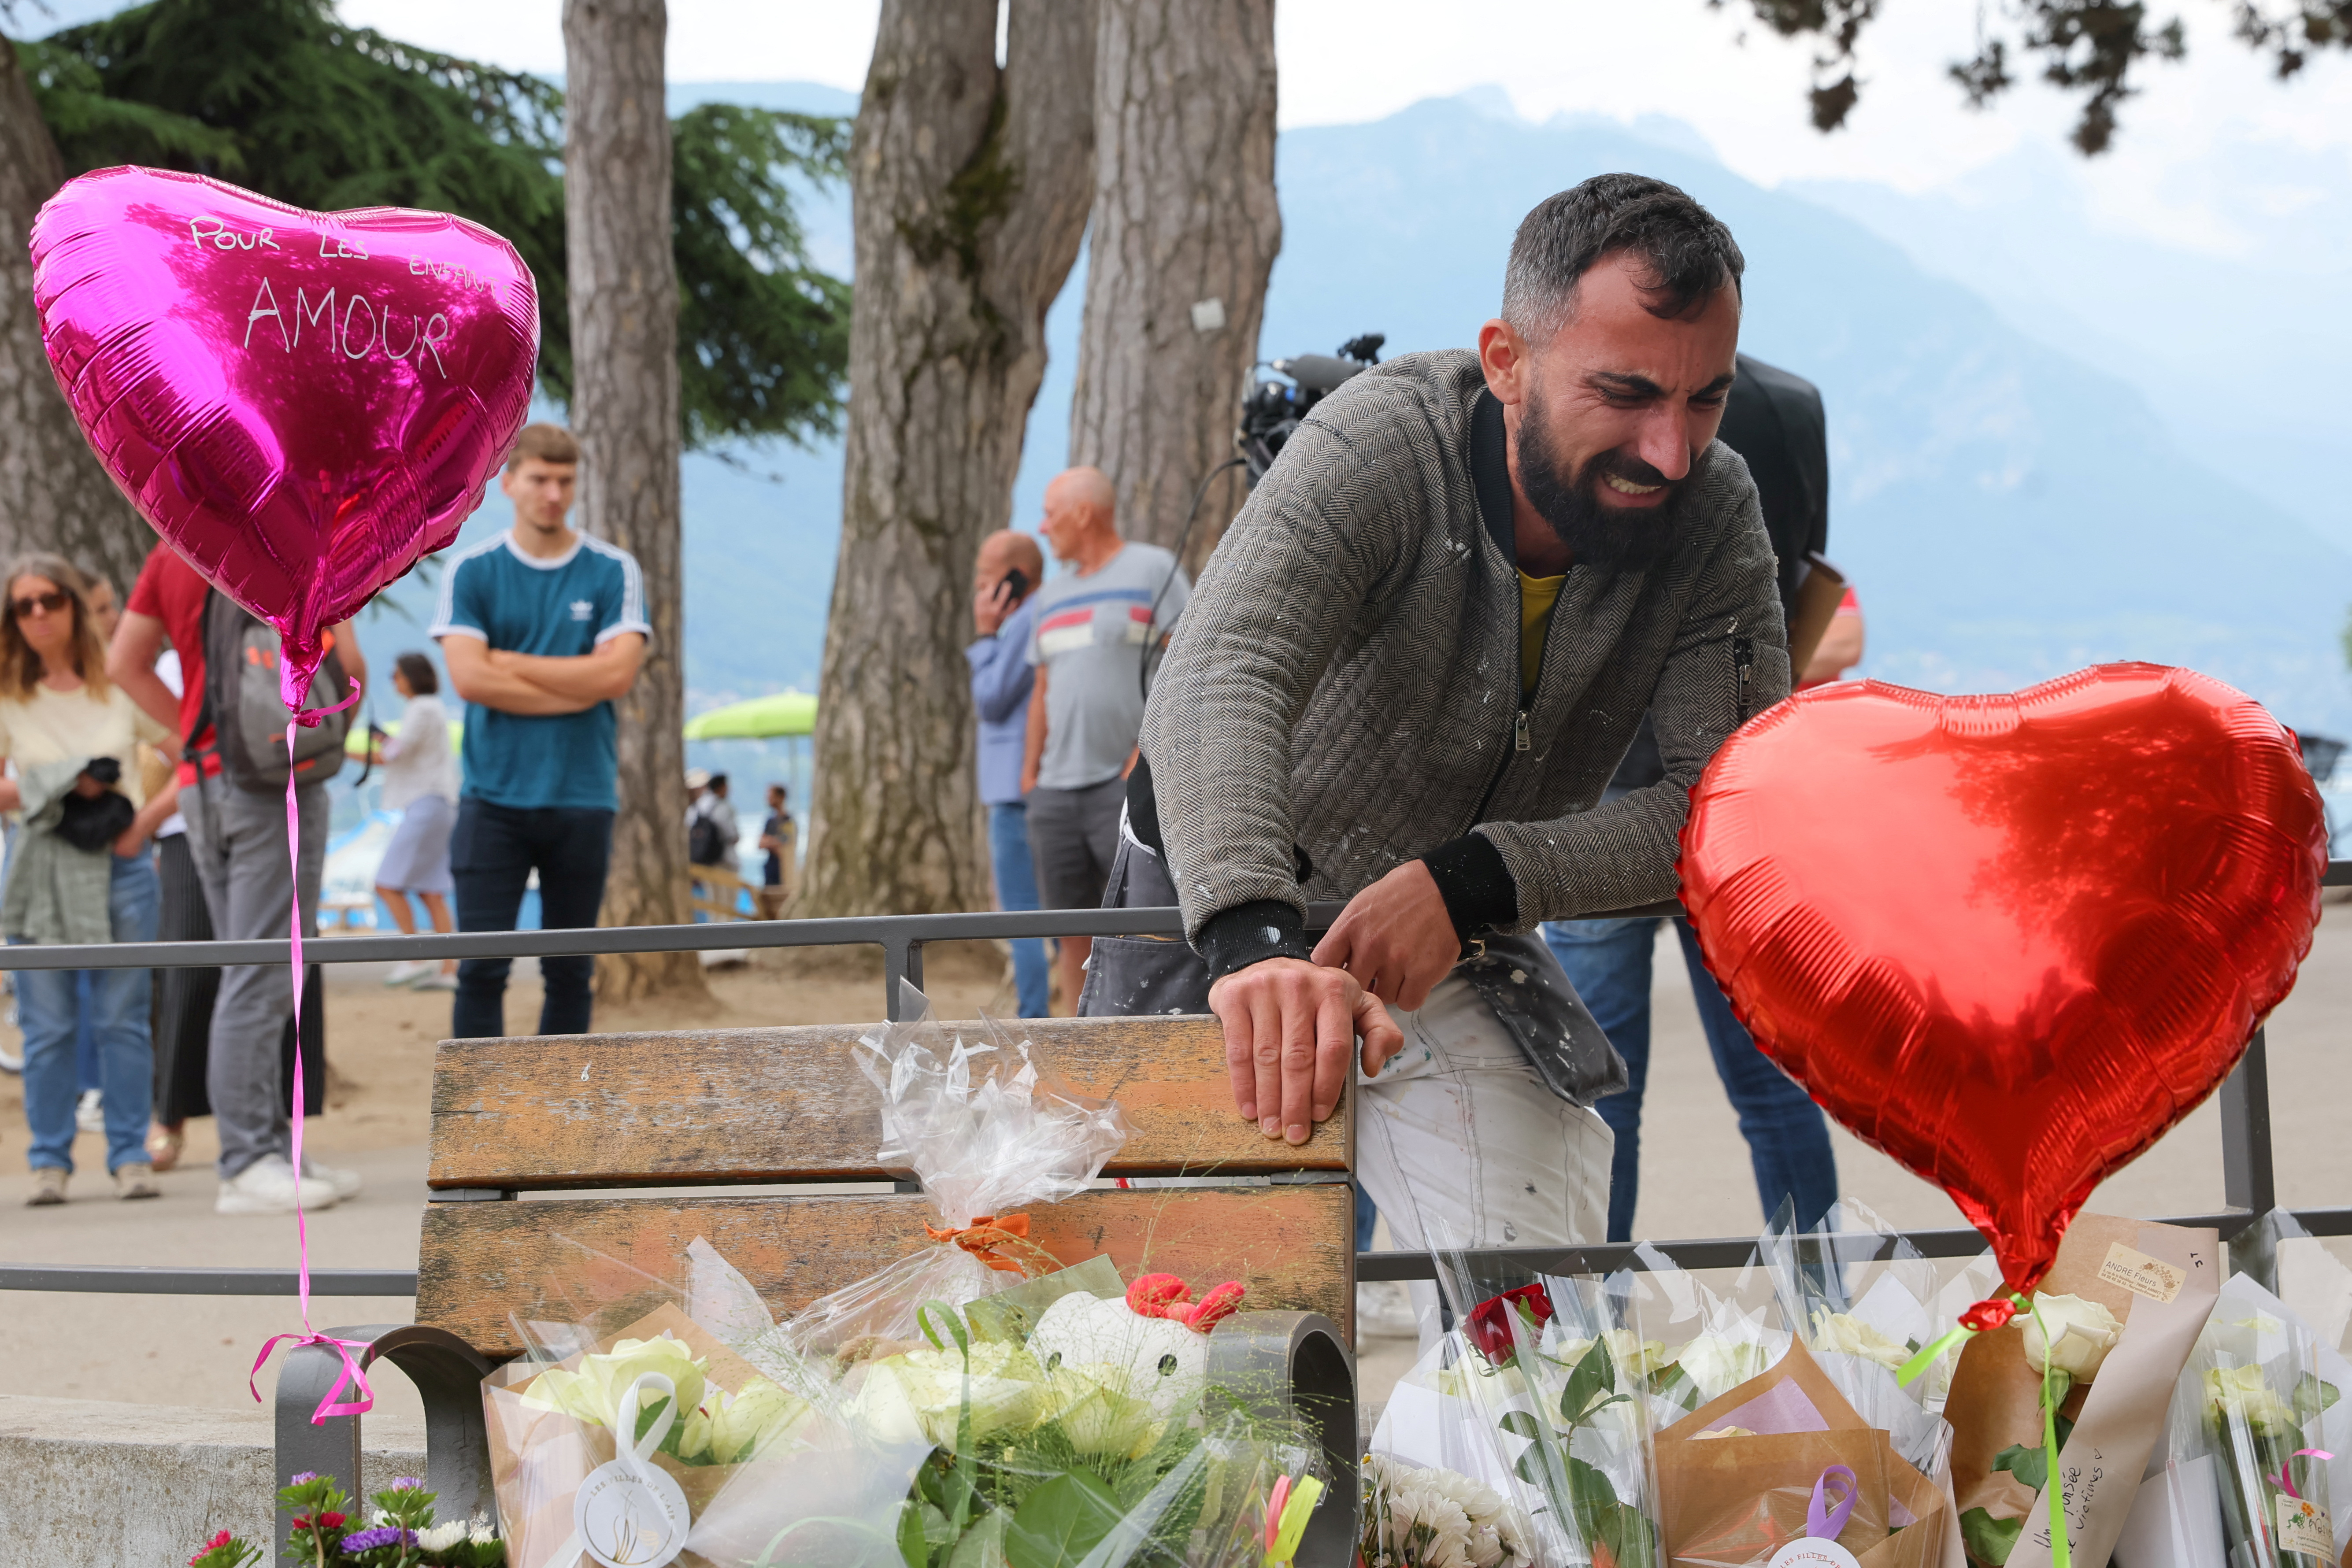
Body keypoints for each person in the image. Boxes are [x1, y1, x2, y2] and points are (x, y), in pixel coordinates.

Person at [1083, 176, 1785, 1294]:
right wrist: (1255, 942)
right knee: (1186, 1307)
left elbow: (1735, 814)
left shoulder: (1714, 513)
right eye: (1624, 393)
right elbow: (1221, 670)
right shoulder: (1382, 442)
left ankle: (1486, 1464)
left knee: (1537, 1303)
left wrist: (1472, 883)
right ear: (1505, 361)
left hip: (1456, 904)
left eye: (1705, 400)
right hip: (1224, 894)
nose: (1669, 452)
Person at [1538, 353, 1847, 1243]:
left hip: (1604, 785)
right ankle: (1824, 1315)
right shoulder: (1793, 402)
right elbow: (1806, 569)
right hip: (1743, 791)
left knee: (1604, 1094)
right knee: (1769, 1081)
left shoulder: (1593, 400)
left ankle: (1593, 1324)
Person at [111, 543, 367, 1213]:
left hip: (204, 782)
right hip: (271, 782)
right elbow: (350, 666)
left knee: (248, 965)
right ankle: (249, 1159)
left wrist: (197, 732)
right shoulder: (290, 536)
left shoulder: (173, 548)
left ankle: (271, 1150)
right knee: (265, 971)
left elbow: (124, 663)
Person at [432, 423, 648, 1038]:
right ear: (509, 484)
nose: (553, 494)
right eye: (540, 480)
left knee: (570, 970)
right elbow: (470, 681)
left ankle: (563, 1120)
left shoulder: (613, 570)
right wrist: (576, 679)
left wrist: (510, 662)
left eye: (565, 481)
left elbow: (617, 676)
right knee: (481, 969)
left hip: (582, 796)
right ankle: (478, 1124)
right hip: (492, 800)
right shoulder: (472, 571)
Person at [0, 557, 177, 1204]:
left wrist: (145, 826)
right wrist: (55, 785)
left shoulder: (123, 684)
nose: (40, 614)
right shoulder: (9, 692)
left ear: (74, 604)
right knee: (45, 1027)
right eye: (24, 606)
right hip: (41, 867)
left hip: (122, 865)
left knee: (123, 1020)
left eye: (50, 599)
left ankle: (130, 1153)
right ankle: (49, 1160)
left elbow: (193, 750)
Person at [1021, 468, 1189, 1011]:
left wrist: (1146, 751)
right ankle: (1078, 1037)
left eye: (1050, 513)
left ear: (1082, 513)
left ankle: (1134, 1030)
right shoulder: (1050, 595)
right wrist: (1030, 775)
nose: (1043, 527)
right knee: (1067, 928)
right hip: (1054, 790)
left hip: (1121, 785)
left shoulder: (1151, 569)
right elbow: (1041, 685)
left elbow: (1190, 655)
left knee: (1134, 922)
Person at [966, 528, 1051, 1018]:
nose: (979, 586)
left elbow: (991, 699)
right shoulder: (1031, 618)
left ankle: (1032, 1014)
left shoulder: (1023, 622)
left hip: (1012, 786)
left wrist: (983, 636)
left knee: (1021, 910)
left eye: (987, 575)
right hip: (1028, 783)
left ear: (1016, 577)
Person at [372, 652, 459, 990]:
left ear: (411, 677)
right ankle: (449, 970)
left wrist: (337, 752)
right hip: (438, 804)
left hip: (427, 804)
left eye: (396, 675)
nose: (394, 681)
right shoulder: (431, 708)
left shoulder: (422, 708)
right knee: (431, 891)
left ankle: (414, 958)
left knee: (387, 884)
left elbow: (394, 754)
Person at [756, 783, 795, 919]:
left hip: (784, 870)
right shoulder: (770, 821)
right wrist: (776, 842)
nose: (768, 799)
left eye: (771, 796)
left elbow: (787, 844)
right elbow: (761, 844)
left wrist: (771, 842)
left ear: (781, 798)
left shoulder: (788, 821)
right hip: (770, 869)